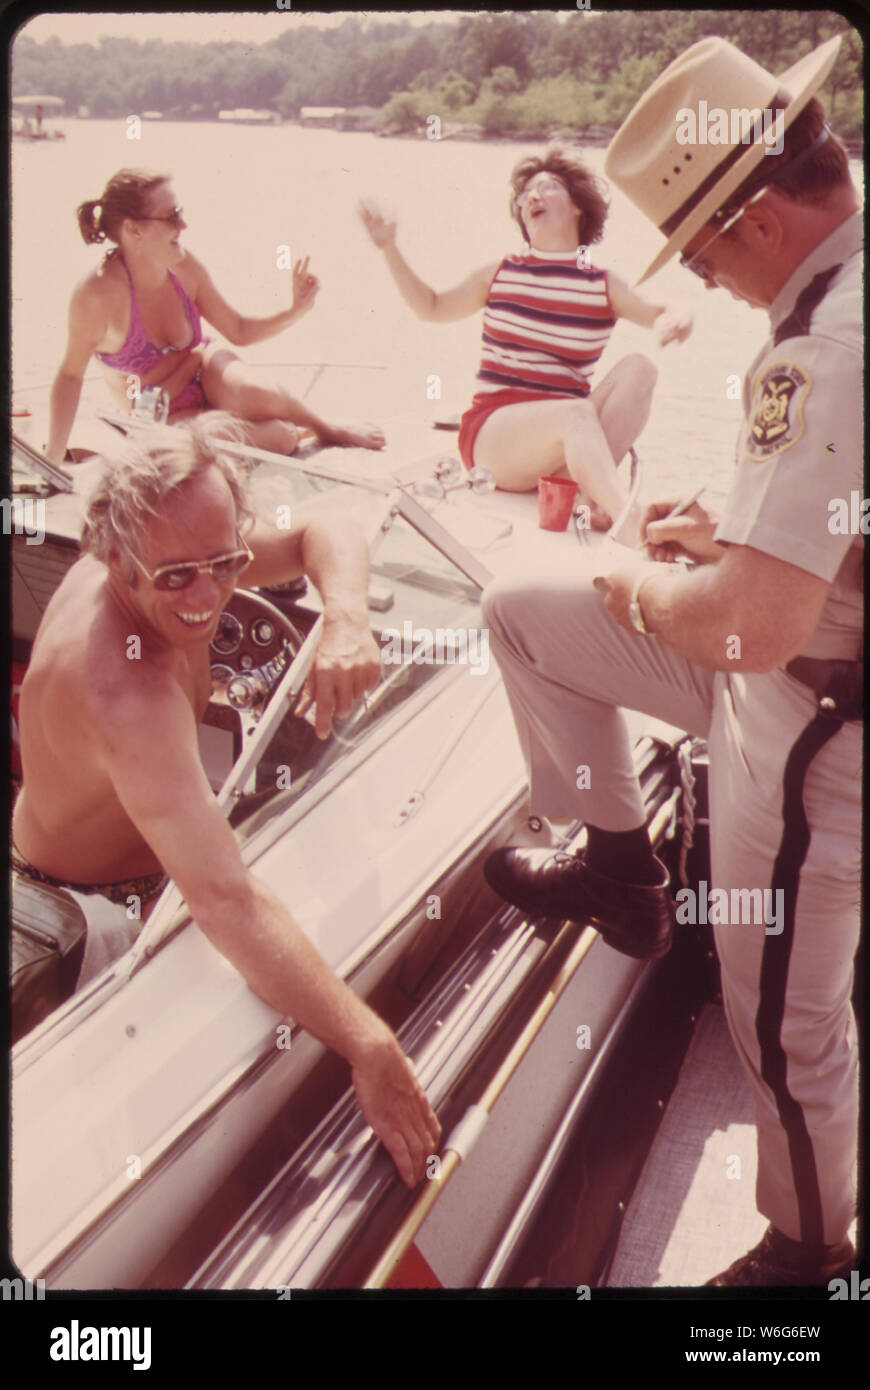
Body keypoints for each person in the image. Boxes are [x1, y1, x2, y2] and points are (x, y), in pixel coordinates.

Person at [481, 35, 861, 1285]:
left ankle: (805, 1260)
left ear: (752, 219)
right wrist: (737, 538)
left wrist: (641, 580)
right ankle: (619, 866)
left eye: (701, 254)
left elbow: (749, 628)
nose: (712, 279)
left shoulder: (827, 350)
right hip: (800, 653)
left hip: (815, 719)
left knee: (779, 1021)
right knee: (522, 601)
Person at [12, 413, 439, 1188]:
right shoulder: (127, 696)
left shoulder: (169, 554)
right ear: (114, 558)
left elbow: (329, 524)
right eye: (177, 577)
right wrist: (370, 1046)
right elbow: (226, 902)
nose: (209, 597)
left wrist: (343, 615)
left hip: (123, 855)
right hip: (97, 912)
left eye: (228, 561)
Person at [359, 147, 692, 539]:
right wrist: (389, 249)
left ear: (577, 208)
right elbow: (430, 307)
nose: (532, 197)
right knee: (575, 413)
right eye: (525, 195)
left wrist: (680, 314)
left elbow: (660, 310)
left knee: (640, 368)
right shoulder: (501, 273)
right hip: (495, 439)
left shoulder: (601, 283)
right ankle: (633, 528)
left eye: (547, 187)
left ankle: (586, 496)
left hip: (560, 441)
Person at [46, 168, 386, 466]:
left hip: (207, 369)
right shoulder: (98, 293)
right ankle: (294, 427)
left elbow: (237, 330)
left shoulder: (183, 267)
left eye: (180, 212)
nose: (184, 224)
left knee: (256, 392)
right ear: (133, 229)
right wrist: (53, 461)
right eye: (171, 217)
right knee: (278, 439)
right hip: (161, 415)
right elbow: (71, 375)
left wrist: (294, 311)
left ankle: (326, 428)